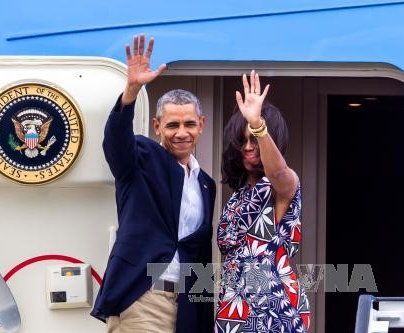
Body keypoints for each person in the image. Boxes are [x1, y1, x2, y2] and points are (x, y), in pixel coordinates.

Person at [91, 34, 216, 333]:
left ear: (202, 124)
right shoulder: (141, 158)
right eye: (172, 125)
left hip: (186, 301)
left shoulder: (205, 184)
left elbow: (197, 253)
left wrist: (202, 307)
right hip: (143, 296)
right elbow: (116, 144)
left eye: (189, 124)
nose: (181, 132)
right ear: (157, 126)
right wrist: (131, 92)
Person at [214, 71, 311, 332]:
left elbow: (278, 173)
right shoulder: (238, 195)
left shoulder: (283, 184)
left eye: (254, 139)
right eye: (243, 140)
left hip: (274, 311)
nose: (248, 146)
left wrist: (257, 123)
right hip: (235, 308)